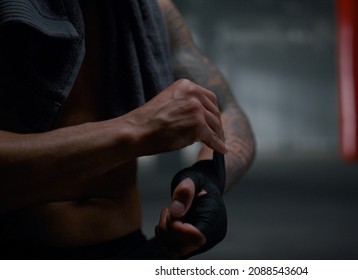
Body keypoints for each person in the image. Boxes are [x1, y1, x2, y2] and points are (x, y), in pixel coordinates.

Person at [0, 0, 255, 259]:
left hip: (127, 247)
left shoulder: (152, 9)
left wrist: (208, 177)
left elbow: (227, 111)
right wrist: (136, 128)